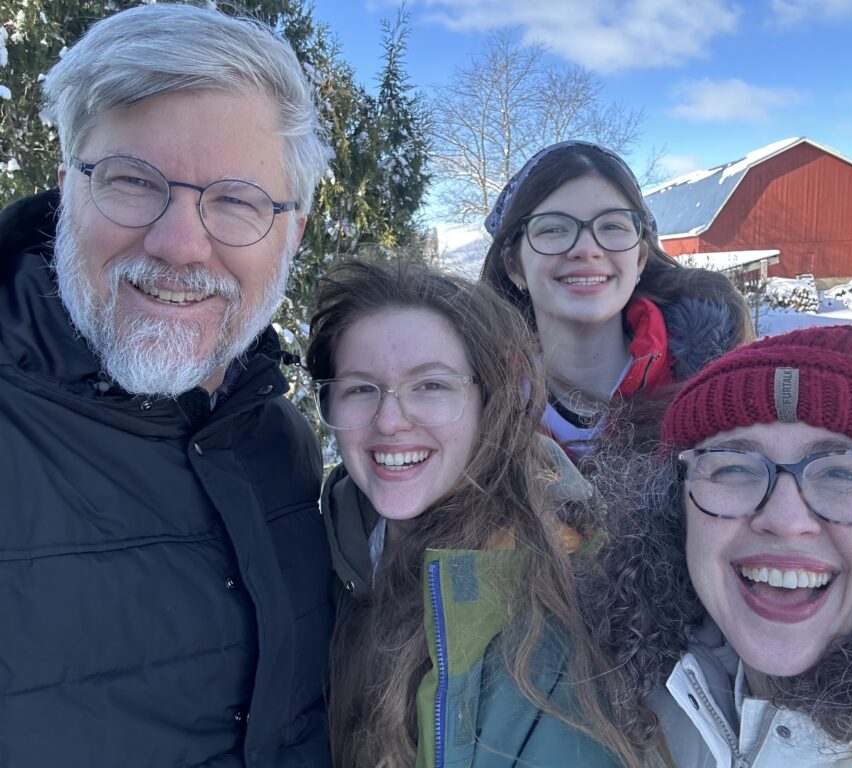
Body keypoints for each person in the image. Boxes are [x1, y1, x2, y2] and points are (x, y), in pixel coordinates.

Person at [0, 5, 334, 766]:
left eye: (237, 201)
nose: (181, 244)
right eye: (131, 181)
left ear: (294, 231)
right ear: (66, 189)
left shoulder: (275, 435)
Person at [586, 324, 852, 766]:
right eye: (733, 469)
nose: (784, 519)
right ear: (674, 507)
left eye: (842, 473)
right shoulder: (610, 705)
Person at [306, 260, 642, 768]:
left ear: (491, 400)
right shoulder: (335, 552)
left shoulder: (557, 595)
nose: (391, 421)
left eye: (432, 386)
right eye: (360, 388)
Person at [480, 141, 754, 459]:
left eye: (612, 225)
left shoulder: (723, 393)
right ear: (514, 265)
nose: (586, 248)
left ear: (639, 259)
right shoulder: (474, 406)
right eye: (553, 228)